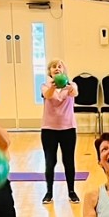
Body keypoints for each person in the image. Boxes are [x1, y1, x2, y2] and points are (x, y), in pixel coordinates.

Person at [40, 59, 80, 204]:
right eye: (53, 67)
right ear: (49, 72)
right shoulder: (45, 86)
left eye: (59, 66)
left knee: (68, 160)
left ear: (64, 70)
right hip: (49, 129)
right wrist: (53, 85)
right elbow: (48, 95)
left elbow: (75, 93)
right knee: (50, 161)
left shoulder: (71, 85)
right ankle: (49, 192)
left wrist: (67, 86)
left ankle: (71, 191)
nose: (56, 69)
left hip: (68, 129)